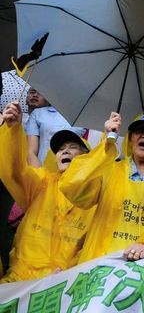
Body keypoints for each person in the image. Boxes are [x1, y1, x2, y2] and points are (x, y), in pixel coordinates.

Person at [59, 111, 144, 264]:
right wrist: (106, 144)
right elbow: (72, 185)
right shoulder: (108, 170)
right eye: (139, 130)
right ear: (130, 138)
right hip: (101, 268)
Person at [0, 102, 96, 283]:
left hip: (64, 283)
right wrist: (13, 130)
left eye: (72, 147)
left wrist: (69, 271)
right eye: (60, 149)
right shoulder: (41, 183)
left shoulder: (95, 195)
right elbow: (15, 170)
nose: (65, 151)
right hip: (20, 279)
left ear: (87, 156)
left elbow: (94, 243)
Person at [25, 89, 84, 167]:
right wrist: (40, 175)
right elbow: (31, 151)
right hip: (44, 171)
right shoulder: (38, 114)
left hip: (74, 172)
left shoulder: (83, 116)